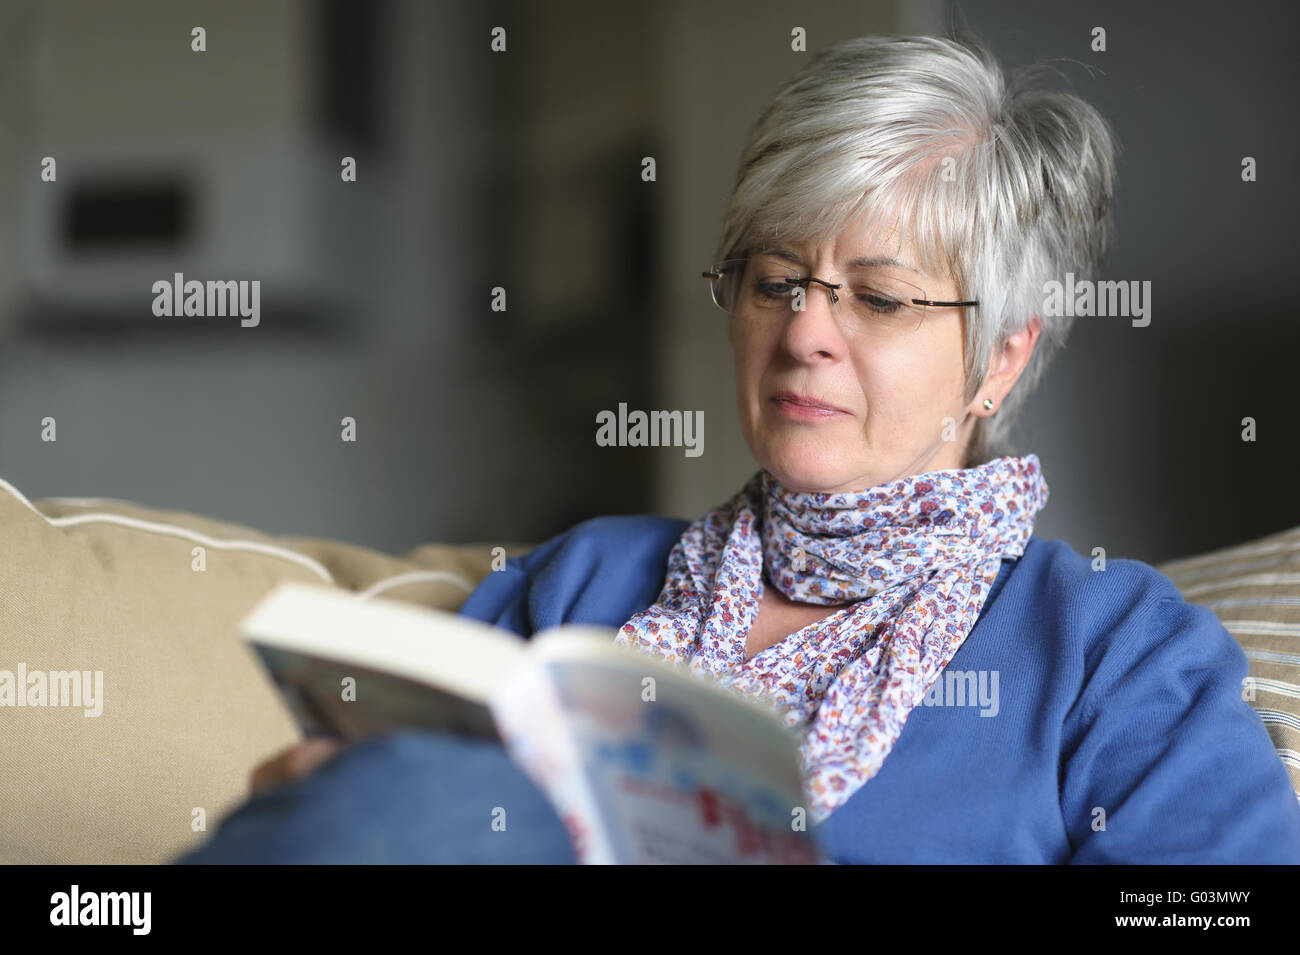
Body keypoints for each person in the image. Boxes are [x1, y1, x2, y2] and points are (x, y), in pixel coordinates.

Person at [178, 33, 1300, 864]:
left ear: (998, 360)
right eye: (776, 282)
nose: (805, 332)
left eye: (879, 297)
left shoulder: (1111, 646)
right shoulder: (586, 576)